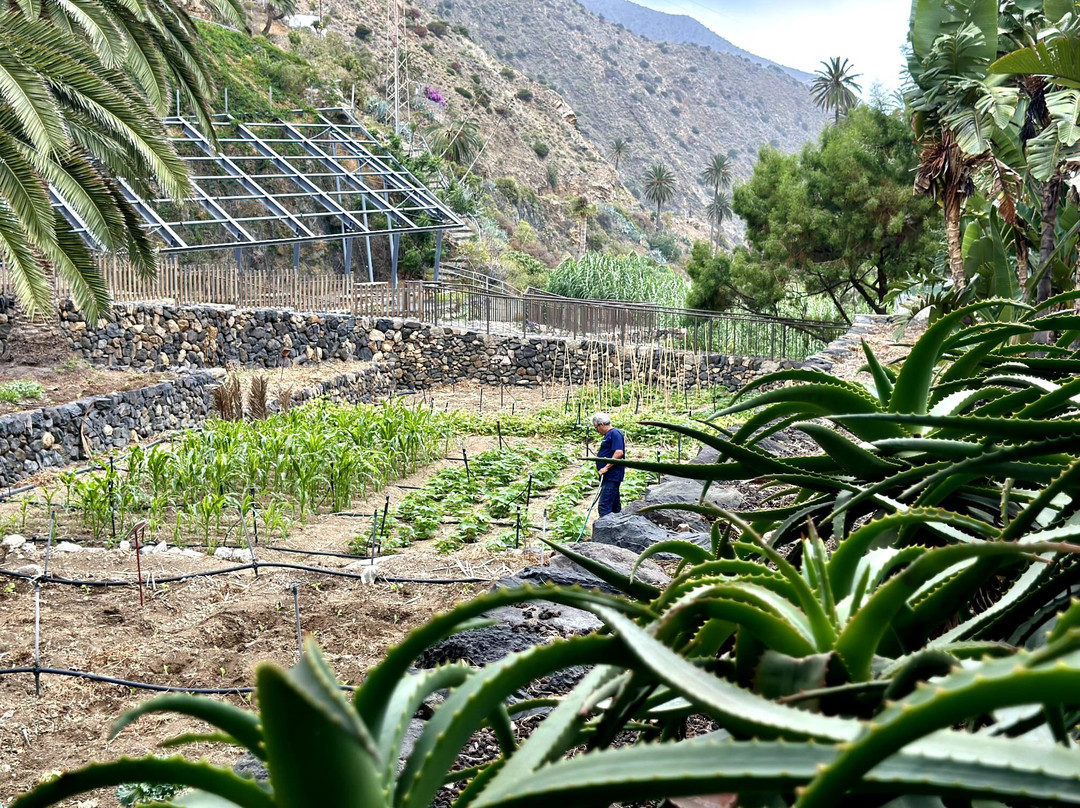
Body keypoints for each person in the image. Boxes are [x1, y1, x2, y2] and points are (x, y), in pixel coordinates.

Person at [592, 412, 625, 517]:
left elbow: (619, 452)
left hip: (612, 475)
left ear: (601, 424)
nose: (596, 430)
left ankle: (605, 530)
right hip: (608, 476)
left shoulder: (615, 433)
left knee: (604, 505)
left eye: (596, 427)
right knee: (615, 505)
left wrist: (606, 468)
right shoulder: (609, 435)